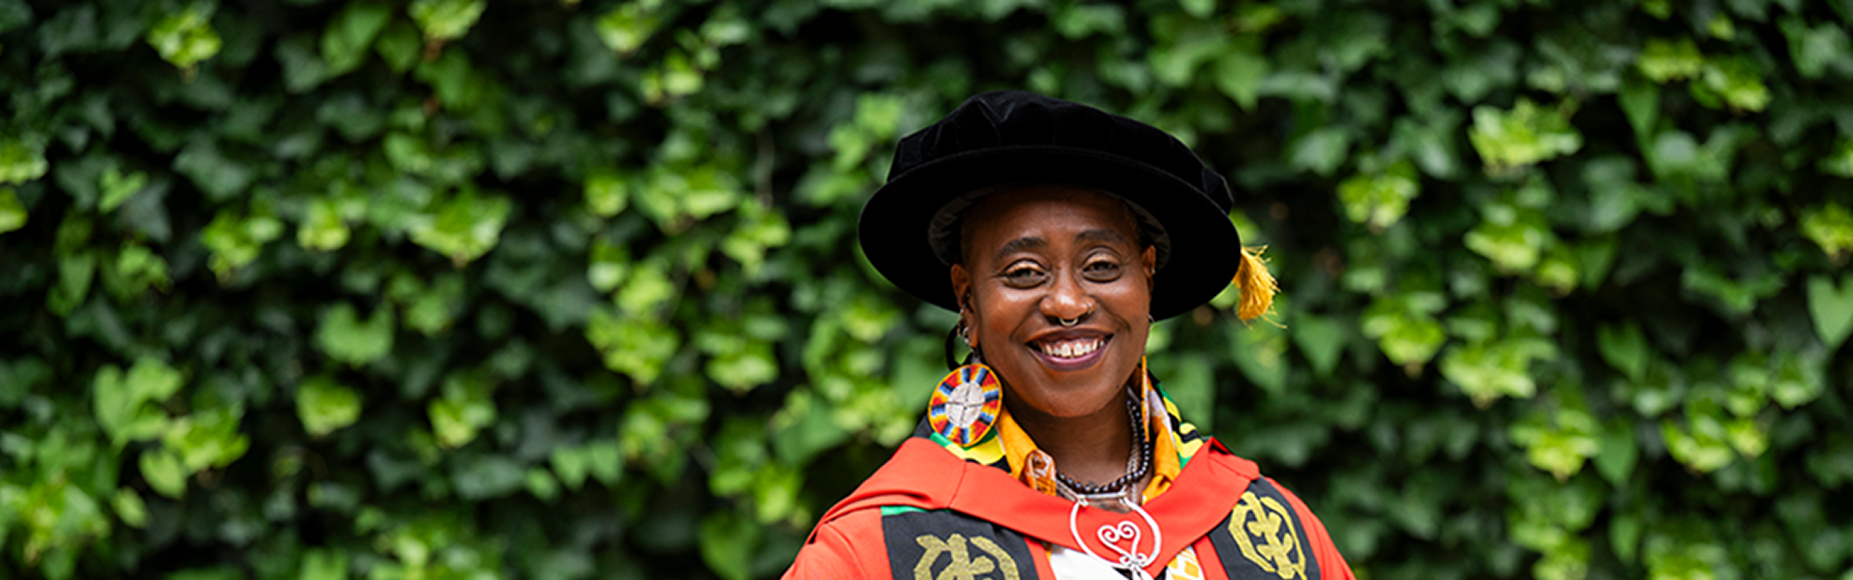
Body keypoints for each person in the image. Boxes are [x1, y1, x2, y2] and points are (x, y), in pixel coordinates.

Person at [784, 91, 1355, 580]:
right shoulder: (872, 550)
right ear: (968, 299)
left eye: (1102, 265)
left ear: (1147, 279)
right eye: (1024, 273)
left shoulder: (1270, 529)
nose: (1067, 303)